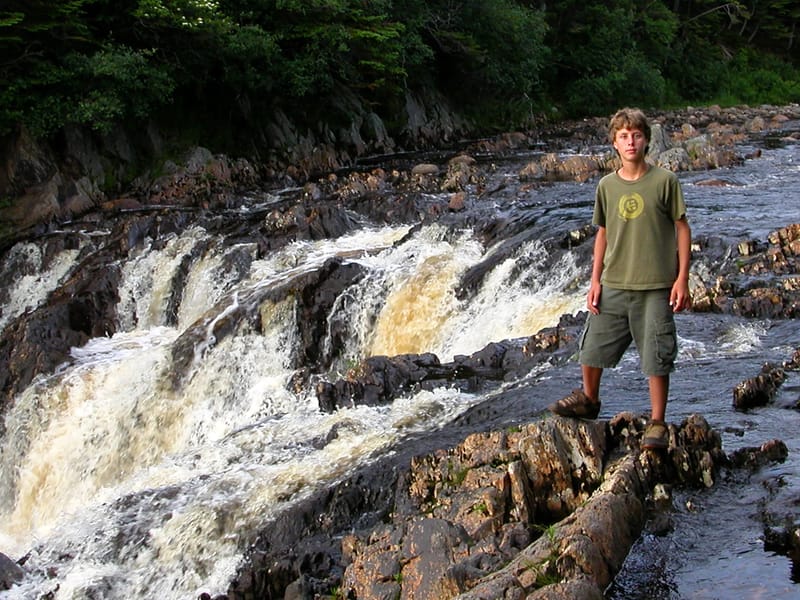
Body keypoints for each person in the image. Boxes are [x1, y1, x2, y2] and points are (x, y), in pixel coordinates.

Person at [548, 107, 692, 450]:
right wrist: (594, 280)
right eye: (624, 136)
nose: (631, 142)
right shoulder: (607, 186)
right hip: (614, 282)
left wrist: (682, 278)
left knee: (657, 355)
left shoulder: (664, 181)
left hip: (655, 285)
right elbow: (603, 233)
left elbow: (682, 228)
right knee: (592, 346)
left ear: (646, 140)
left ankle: (657, 421)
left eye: (637, 135)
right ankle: (589, 399)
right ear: (614, 143)